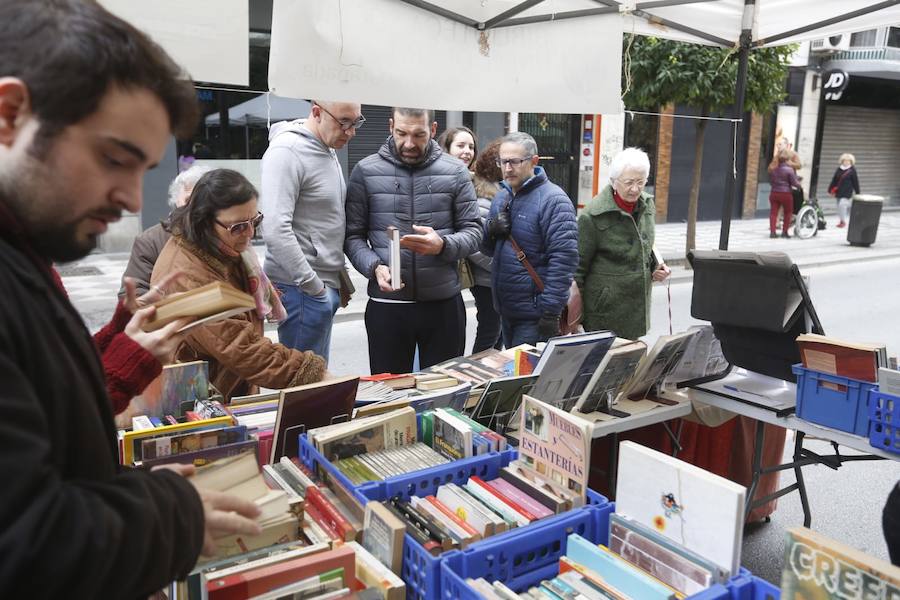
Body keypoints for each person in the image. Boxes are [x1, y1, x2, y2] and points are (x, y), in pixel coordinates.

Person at [0, 1, 262, 596]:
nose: (127, 197)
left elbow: (37, 396)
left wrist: (121, 350)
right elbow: (25, 543)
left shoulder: (25, 245)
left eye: (142, 169)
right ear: (10, 114)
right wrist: (173, 510)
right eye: (114, 159)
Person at [151, 169, 327, 401]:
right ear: (204, 221)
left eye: (254, 221)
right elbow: (240, 347)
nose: (251, 233)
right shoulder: (187, 274)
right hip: (198, 399)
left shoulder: (222, 248)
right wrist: (314, 374)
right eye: (238, 227)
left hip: (229, 386)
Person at [344, 107, 481, 374]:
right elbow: (352, 236)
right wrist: (374, 267)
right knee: (390, 397)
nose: (409, 143)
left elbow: (474, 232)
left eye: (418, 135)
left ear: (432, 130)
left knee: (443, 394)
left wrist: (443, 245)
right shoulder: (366, 171)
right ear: (391, 126)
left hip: (443, 305)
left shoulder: (455, 171)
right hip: (388, 307)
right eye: (401, 133)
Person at [261, 101, 364, 363]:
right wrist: (313, 287)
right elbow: (274, 228)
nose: (350, 131)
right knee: (303, 387)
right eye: (343, 122)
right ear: (317, 112)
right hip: (301, 288)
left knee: (314, 384)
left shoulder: (325, 147)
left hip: (317, 285)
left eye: (356, 122)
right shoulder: (287, 151)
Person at [481, 132, 578, 347]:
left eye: (514, 162)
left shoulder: (554, 200)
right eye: (503, 162)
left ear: (534, 161)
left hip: (535, 316)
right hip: (506, 312)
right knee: (515, 375)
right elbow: (487, 249)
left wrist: (550, 312)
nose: (507, 168)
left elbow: (563, 261)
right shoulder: (501, 197)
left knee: (526, 378)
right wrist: (491, 229)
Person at [575, 147, 670, 340]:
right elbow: (577, 269)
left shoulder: (647, 205)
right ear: (613, 181)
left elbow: (644, 245)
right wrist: (577, 317)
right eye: (629, 182)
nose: (635, 189)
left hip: (636, 310)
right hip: (604, 313)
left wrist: (656, 266)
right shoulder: (592, 215)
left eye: (641, 182)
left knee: (632, 364)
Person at [118, 164, 212, 298]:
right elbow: (132, 294)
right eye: (188, 200)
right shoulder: (150, 240)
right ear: (176, 200)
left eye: (202, 200)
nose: (195, 207)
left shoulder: (226, 232)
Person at [468, 140, 504, 352]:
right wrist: (501, 265)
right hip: (486, 280)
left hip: (493, 278)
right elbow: (475, 247)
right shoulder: (483, 198)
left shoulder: (500, 192)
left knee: (496, 333)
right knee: (490, 332)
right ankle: (479, 377)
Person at [768, 147, 801, 238]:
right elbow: (794, 183)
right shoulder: (789, 169)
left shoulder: (773, 168)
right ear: (788, 158)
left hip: (774, 192)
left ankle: (773, 232)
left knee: (773, 213)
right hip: (785, 194)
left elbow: (771, 180)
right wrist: (799, 185)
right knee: (788, 212)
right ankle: (784, 232)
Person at [829, 153, 860, 228]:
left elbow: (855, 181)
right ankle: (841, 220)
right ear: (842, 161)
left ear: (851, 162)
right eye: (845, 161)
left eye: (848, 161)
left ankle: (843, 222)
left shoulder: (852, 170)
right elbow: (834, 180)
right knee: (839, 207)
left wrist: (858, 192)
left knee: (842, 205)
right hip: (838, 191)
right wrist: (830, 189)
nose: (846, 162)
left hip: (847, 191)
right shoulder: (839, 169)